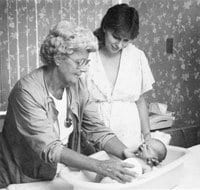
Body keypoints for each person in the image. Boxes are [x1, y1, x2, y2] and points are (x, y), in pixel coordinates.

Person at [0, 20, 140, 188]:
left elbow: (96, 128)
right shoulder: (27, 91)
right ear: (59, 58)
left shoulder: (76, 86)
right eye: (79, 62)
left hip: (55, 172)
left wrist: (127, 153)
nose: (84, 69)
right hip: (21, 176)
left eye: (86, 62)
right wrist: (100, 166)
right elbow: (50, 148)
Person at [86, 3, 155, 150]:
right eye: (116, 37)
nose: (119, 45)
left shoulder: (137, 57)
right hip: (94, 138)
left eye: (126, 40)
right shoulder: (88, 56)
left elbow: (140, 101)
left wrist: (147, 137)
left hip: (130, 137)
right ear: (105, 28)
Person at [98, 138, 167, 183]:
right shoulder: (134, 157)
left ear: (153, 159)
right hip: (116, 173)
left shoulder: (146, 167)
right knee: (101, 173)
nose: (143, 146)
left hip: (124, 181)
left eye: (147, 148)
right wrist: (138, 148)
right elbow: (126, 151)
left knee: (106, 181)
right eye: (143, 143)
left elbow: (145, 180)